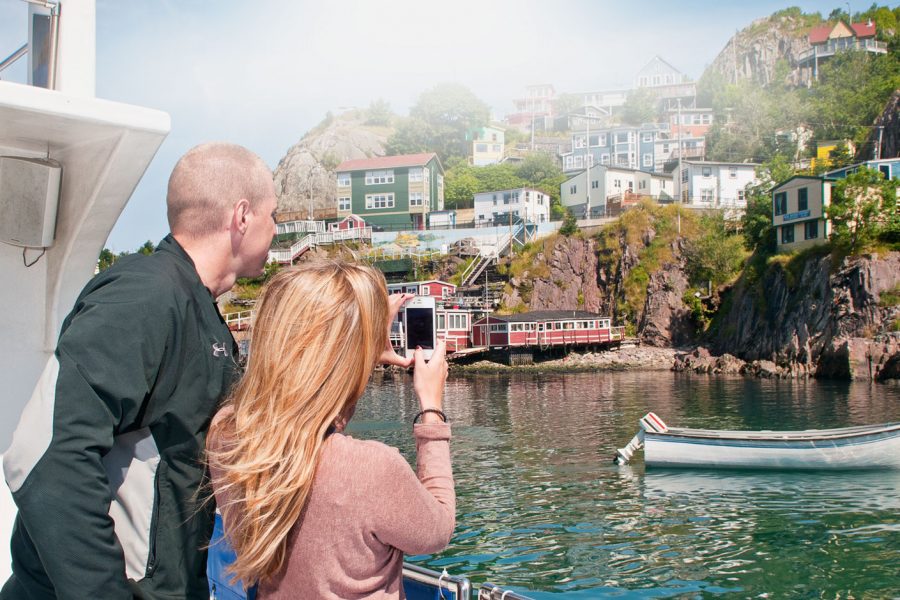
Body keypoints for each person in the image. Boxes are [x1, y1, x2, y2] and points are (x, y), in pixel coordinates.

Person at [1, 142, 279, 599]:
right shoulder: (145, 296)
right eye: (274, 216)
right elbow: (42, 454)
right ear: (242, 216)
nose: (276, 230)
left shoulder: (194, 308)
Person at [206, 261, 454, 599]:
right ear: (350, 356)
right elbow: (437, 529)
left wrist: (363, 352)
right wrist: (431, 410)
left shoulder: (227, 433)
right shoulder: (372, 469)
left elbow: (308, 423)